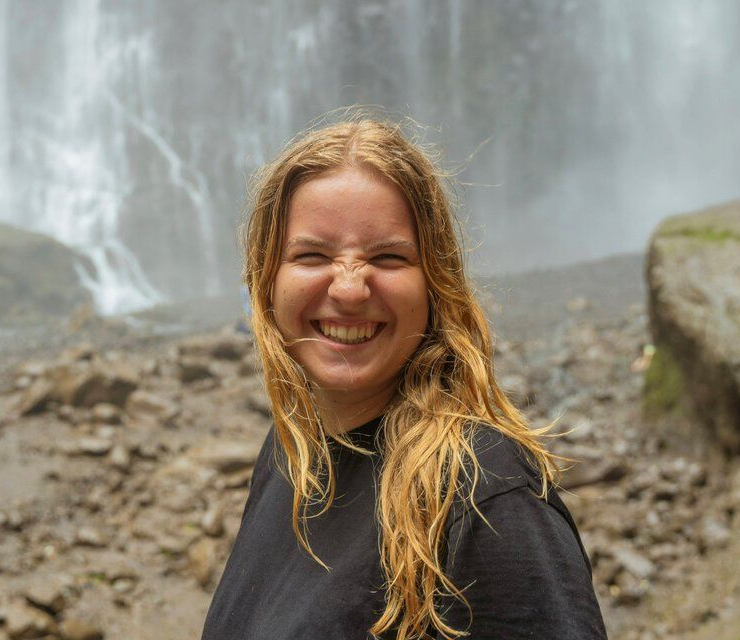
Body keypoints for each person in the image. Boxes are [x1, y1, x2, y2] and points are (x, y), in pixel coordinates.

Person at [201, 117, 607, 640]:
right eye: (312, 255)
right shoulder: (293, 454)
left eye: (388, 257)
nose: (349, 289)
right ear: (266, 279)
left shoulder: (482, 495)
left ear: (436, 283)